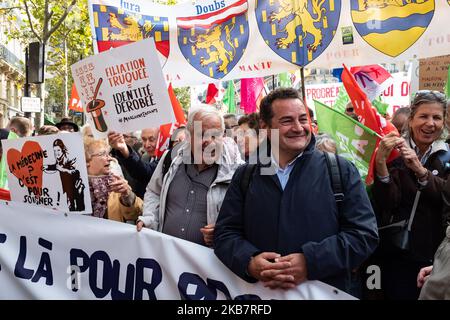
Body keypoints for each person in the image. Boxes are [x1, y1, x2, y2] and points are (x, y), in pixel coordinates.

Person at [214, 88, 378, 295]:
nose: (299, 128)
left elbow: (364, 234)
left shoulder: (340, 170)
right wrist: (250, 261)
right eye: (287, 121)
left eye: (303, 119)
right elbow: (225, 234)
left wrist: (311, 261)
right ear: (265, 127)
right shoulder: (246, 174)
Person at [372, 90, 449, 300]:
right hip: (397, 252)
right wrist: (380, 163)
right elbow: (387, 201)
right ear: (412, 118)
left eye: (437, 117)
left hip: (437, 257)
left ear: (444, 122)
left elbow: (446, 198)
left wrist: (420, 170)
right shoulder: (394, 150)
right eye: (424, 116)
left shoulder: (447, 155)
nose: (430, 123)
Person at [136, 106, 244, 247]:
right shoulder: (171, 158)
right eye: (202, 134)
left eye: (215, 135)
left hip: (207, 264)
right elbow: (154, 192)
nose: (209, 141)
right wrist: (150, 218)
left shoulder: (237, 171)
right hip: (164, 257)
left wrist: (223, 231)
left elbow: (245, 218)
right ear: (189, 135)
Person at [85, 138, 142, 222]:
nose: (109, 158)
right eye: (103, 154)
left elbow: (135, 214)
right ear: (86, 161)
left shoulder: (117, 184)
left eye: (109, 154)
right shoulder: (75, 187)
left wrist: (127, 194)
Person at [109, 128, 159, 199]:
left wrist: (124, 149)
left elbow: (145, 172)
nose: (147, 145)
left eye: (151, 140)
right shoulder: (145, 157)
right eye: (144, 140)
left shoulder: (168, 158)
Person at [43, 139, 85, 211]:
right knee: (70, 208)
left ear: (62, 149)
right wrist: (47, 167)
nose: (56, 153)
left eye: (58, 150)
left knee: (78, 209)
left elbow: (75, 172)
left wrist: (62, 169)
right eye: (55, 151)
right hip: (68, 189)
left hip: (76, 188)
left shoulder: (70, 157)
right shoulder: (59, 159)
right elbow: (57, 166)